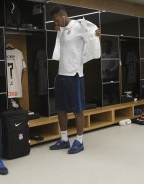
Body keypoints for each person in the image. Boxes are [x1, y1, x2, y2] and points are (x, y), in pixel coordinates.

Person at [49, 4, 101, 154]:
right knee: (60, 109)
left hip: (75, 76)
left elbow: (92, 33)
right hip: (61, 75)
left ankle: (79, 141)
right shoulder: (62, 30)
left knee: (78, 110)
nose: (55, 23)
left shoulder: (78, 25)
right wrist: (59, 30)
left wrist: (96, 34)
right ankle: (64, 139)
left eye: (56, 19)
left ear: (62, 15)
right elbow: (60, 44)